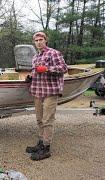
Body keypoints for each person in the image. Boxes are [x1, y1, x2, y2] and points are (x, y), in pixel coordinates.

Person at [26, 32, 68, 161]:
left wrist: (47, 69)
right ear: (34, 42)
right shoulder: (35, 56)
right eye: (36, 40)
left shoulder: (54, 53)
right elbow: (35, 70)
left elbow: (64, 68)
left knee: (47, 120)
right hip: (38, 91)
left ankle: (46, 148)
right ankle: (40, 143)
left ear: (45, 40)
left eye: (41, 39)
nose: (39, 42)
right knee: (39, 119)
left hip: (50, 91)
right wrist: (30, 76)